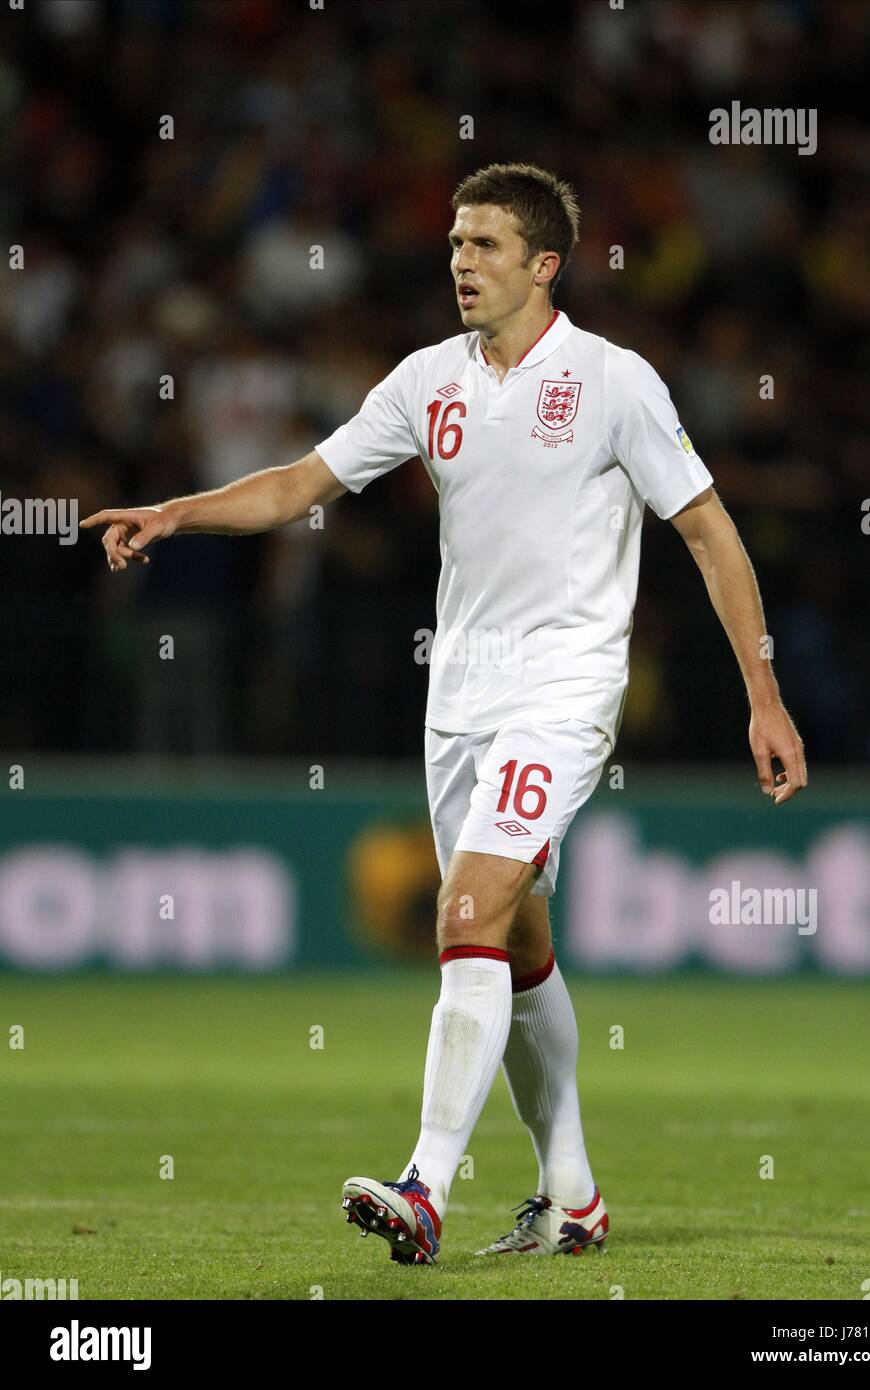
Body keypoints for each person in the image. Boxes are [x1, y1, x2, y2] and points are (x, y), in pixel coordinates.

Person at [81, 162, 807, 1267]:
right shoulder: (428, 381)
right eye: (456, 244)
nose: (461, 264)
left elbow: (708, 531)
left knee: (465, 907)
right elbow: (298, 485)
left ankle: (426, 1185)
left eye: (485, 247)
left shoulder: (614, 383)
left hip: (562, 691)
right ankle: (573, 1197)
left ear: (543, 265)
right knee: (517, 947)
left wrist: (763, 694)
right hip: (457, 699)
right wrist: (176, 512)